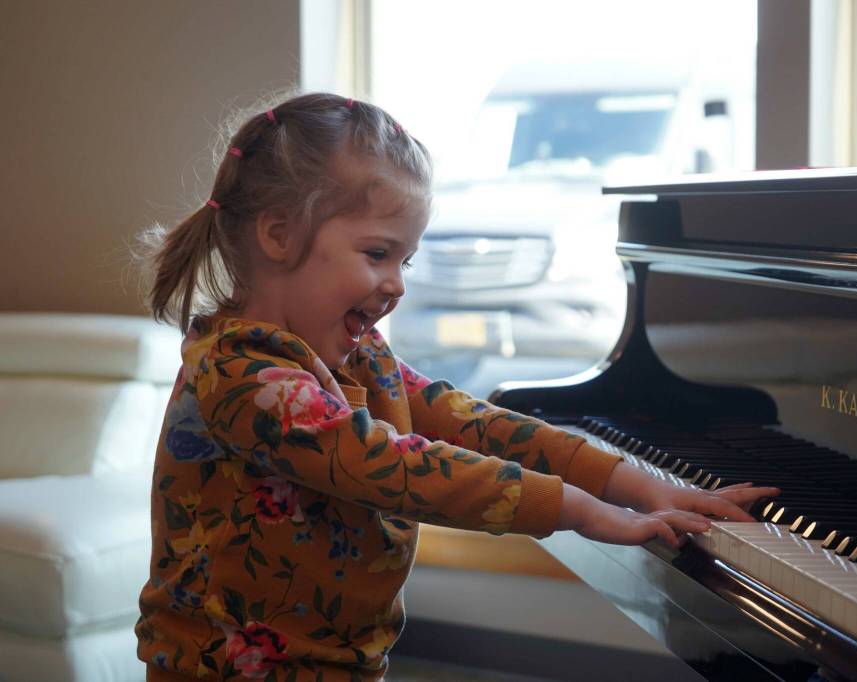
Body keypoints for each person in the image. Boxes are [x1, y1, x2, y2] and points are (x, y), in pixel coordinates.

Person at [134, 92, 779, 681]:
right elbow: (394, 464)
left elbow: (469, 421)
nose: (399, 283)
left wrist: (641, 487)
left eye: (406, 260)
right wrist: (584, 512)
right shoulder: (242, 376)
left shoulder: (354, 354)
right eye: (378, 254)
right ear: (279, 235)